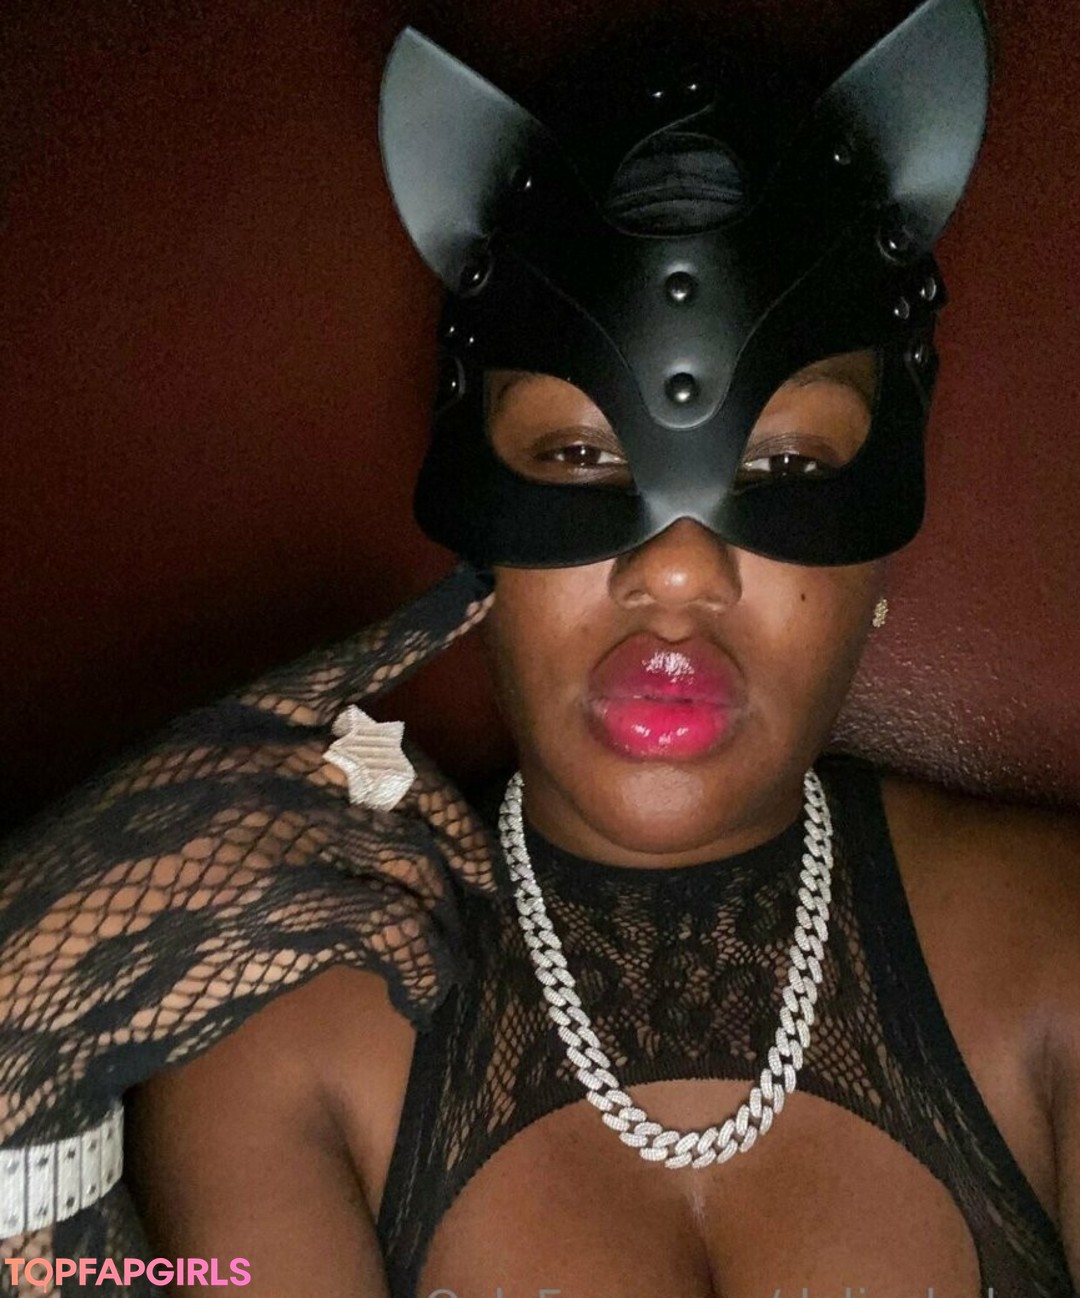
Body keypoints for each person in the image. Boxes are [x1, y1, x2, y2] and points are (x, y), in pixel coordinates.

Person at [1, 1, 1078, 1295]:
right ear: (480, 534)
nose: (676, 572)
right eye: (576, 456)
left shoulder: (1057, 957)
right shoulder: (291, 1040)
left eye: (789, 468)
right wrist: (15, 1027)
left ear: (881, 556)